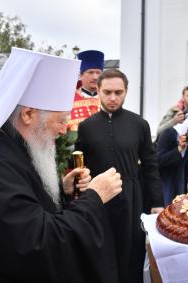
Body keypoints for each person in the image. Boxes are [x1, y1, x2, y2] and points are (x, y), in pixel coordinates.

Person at [0, 48, 123, 283]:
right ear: (28, 114)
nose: (63, 130)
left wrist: (62, 190)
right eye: (60, 120)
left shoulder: (15, 147)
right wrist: (95, 197)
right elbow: (36, 243)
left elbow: (29, 202)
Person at [74, 69, 163, 283]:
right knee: (100, 248)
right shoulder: (86, 127)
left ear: (126, 92)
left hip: (132, 197)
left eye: (118, 92)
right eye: (107, 92)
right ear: (98, 91)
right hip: (98, 200)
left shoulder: (139, 124)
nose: (113, 98)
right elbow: (78, 166)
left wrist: (157, 203)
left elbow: (151, 166)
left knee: (131, 250)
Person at [156, 117, 188, 205]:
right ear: (186, 128)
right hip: (163, 188)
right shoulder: (170, 133)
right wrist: (179, 149)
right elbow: (158, 161)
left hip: (180, 190)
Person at [67, 50, 104, 132]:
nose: (95, 77)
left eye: (98, 73)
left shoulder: (109, 99)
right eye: (90, 72)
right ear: (81, 74)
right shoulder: (68, 99)